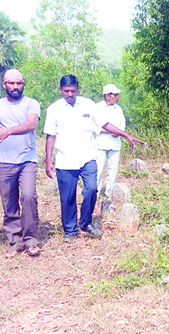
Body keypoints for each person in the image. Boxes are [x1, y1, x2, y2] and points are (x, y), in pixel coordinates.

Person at [43, 75, 144, 243]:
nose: (69, 94)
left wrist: (125, 134)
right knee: (67, 197)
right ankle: (70, 230)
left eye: (73, 91)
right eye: (66, 91)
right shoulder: (54, 109)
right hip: (65, 160)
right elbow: (50, 136)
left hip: (88, 157)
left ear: (77, 89)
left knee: (91, 190)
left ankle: (86, 222)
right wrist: (48, 161)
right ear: (60, 90)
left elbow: (105, 124)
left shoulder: (88, 105)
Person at [0, 69, 41, 258]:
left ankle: (31, 240)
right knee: (9, 203)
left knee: (28, 197)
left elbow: (31, 125)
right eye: (11, 83)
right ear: (4, 84)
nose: (15, 87)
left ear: (23, 84)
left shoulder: (31, 103)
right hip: (4, 160)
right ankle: (15, 241)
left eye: (19, 83)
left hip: (27, 159)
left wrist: (8, 131)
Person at [94, 84, 126, 197]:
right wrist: (106, 131)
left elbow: (122, 125)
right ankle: (95, 193)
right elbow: (93, 126)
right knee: (98, 169)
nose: (117, 97)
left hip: (115, 143)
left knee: (113, 170)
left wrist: (118, 132)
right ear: (107, 96)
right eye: (115, 95)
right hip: (101, 143)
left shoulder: (119, 109)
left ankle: (110, 193)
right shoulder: (97, 108)